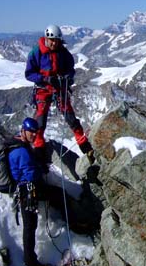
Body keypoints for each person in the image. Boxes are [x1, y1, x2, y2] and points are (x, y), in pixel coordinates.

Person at [25, 24, 95, 164]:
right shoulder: (36, 52)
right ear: (46, 39)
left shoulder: (63, 53)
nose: (54, 43)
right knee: (40, 120)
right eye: (52, 40)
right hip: (43, 89)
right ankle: (39, 149)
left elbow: (71, 70)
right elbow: (29, 74)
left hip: (59, 88)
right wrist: (44, 78)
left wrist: (66, 78)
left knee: (70, 117)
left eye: (56, 40)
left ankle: (85, 146)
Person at [8, 117, 51, 266]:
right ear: (23, 131)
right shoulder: (21, 151)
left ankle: (30, 260)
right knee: (30, 226)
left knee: (30, 226)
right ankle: (31, 262)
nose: (33, 135)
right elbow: (30, 173)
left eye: (35, 132)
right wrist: (41, 169)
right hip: (27, 191)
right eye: (31, 132)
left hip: (27, 189)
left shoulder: (20, 146)